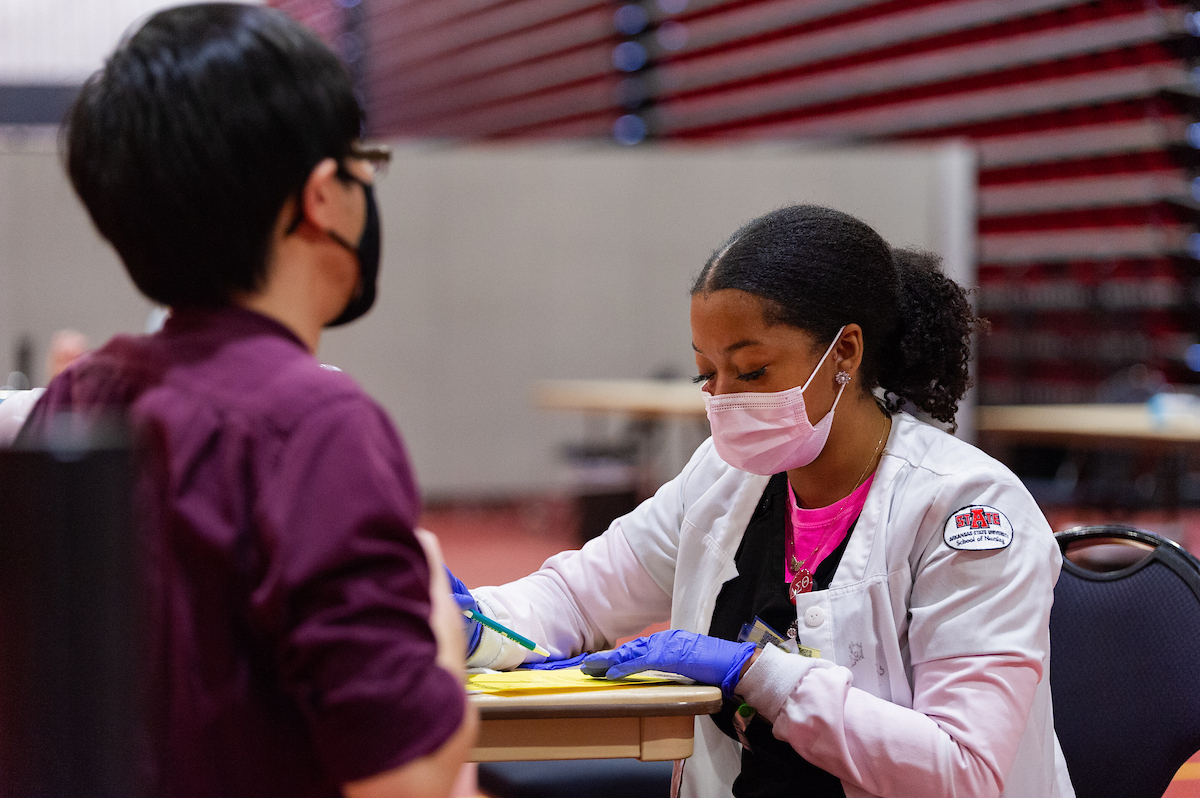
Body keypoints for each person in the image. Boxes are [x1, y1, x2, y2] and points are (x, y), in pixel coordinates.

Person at [453, 205, 1074, 798]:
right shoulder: (725, 479)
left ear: (845, 354)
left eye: (751, 372)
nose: (722, 399)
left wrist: (759, 674)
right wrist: (465, 623)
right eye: (706, 374)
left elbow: (961, 770)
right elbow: (577, 598)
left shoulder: (967, 510)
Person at [19, 5, 476, 797]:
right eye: (363, 159)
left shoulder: (77, 396)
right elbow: (406, 776)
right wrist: (432, 596)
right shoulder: (315, 426)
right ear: (323, 196)